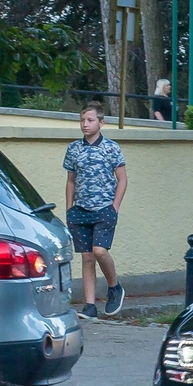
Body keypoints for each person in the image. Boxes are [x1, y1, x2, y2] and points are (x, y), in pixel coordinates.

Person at [62, 101, 127, 316]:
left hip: (104, 209)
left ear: (101, 122)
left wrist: (114, 207)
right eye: (82, 120)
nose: (85, 124)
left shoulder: (111, 148)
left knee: (100, 252)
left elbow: (123, 179)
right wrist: (69, 208)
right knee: (87, 257)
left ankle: (114, 287)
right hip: (80, 210)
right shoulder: (74, 149)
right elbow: (71, 180)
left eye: (90, 120)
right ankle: (90, 305)